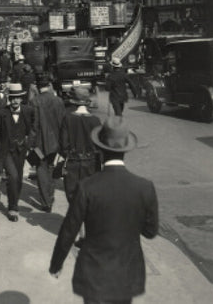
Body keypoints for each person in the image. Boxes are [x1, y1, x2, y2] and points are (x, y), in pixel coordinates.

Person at [49, 116, 159, 304]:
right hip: (127, 273)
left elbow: (69, 230)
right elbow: (150, 232)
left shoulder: (87, 187)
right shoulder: (144, 187)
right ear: (126, 149)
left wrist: (56, 264)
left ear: (100, 148)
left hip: (94, 273)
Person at [0, 82, 33, 222]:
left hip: (21, 150)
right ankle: (12, 208)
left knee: (19, 178)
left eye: (18, 98)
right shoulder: (1, 113)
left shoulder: (28, 111)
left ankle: (14, 200)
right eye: (13, 97)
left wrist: (29, 143)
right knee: (13, 176)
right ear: (9, 98)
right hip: (6, 151)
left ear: (22, 98)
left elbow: (33, 130)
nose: (16, 100)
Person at [31, 73, 66, 212]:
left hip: (39, 143)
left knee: (41, 170)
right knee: (52, 169)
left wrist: (31, 144)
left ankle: (46, 202)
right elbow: (63, 123)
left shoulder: (34, 102)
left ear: (37, 86)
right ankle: (50, 197)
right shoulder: (58, 101)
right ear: (49, 85)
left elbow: (33, 126)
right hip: (56, 142)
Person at [60, 86, 101, 204]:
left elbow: (63, 144)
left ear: (73, 101)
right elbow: (100, 145)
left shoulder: (67, 118)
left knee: (72, 196)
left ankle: (76, 218)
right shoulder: (96, 120)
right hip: (91, 162)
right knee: (90, 196)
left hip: (73, 161)